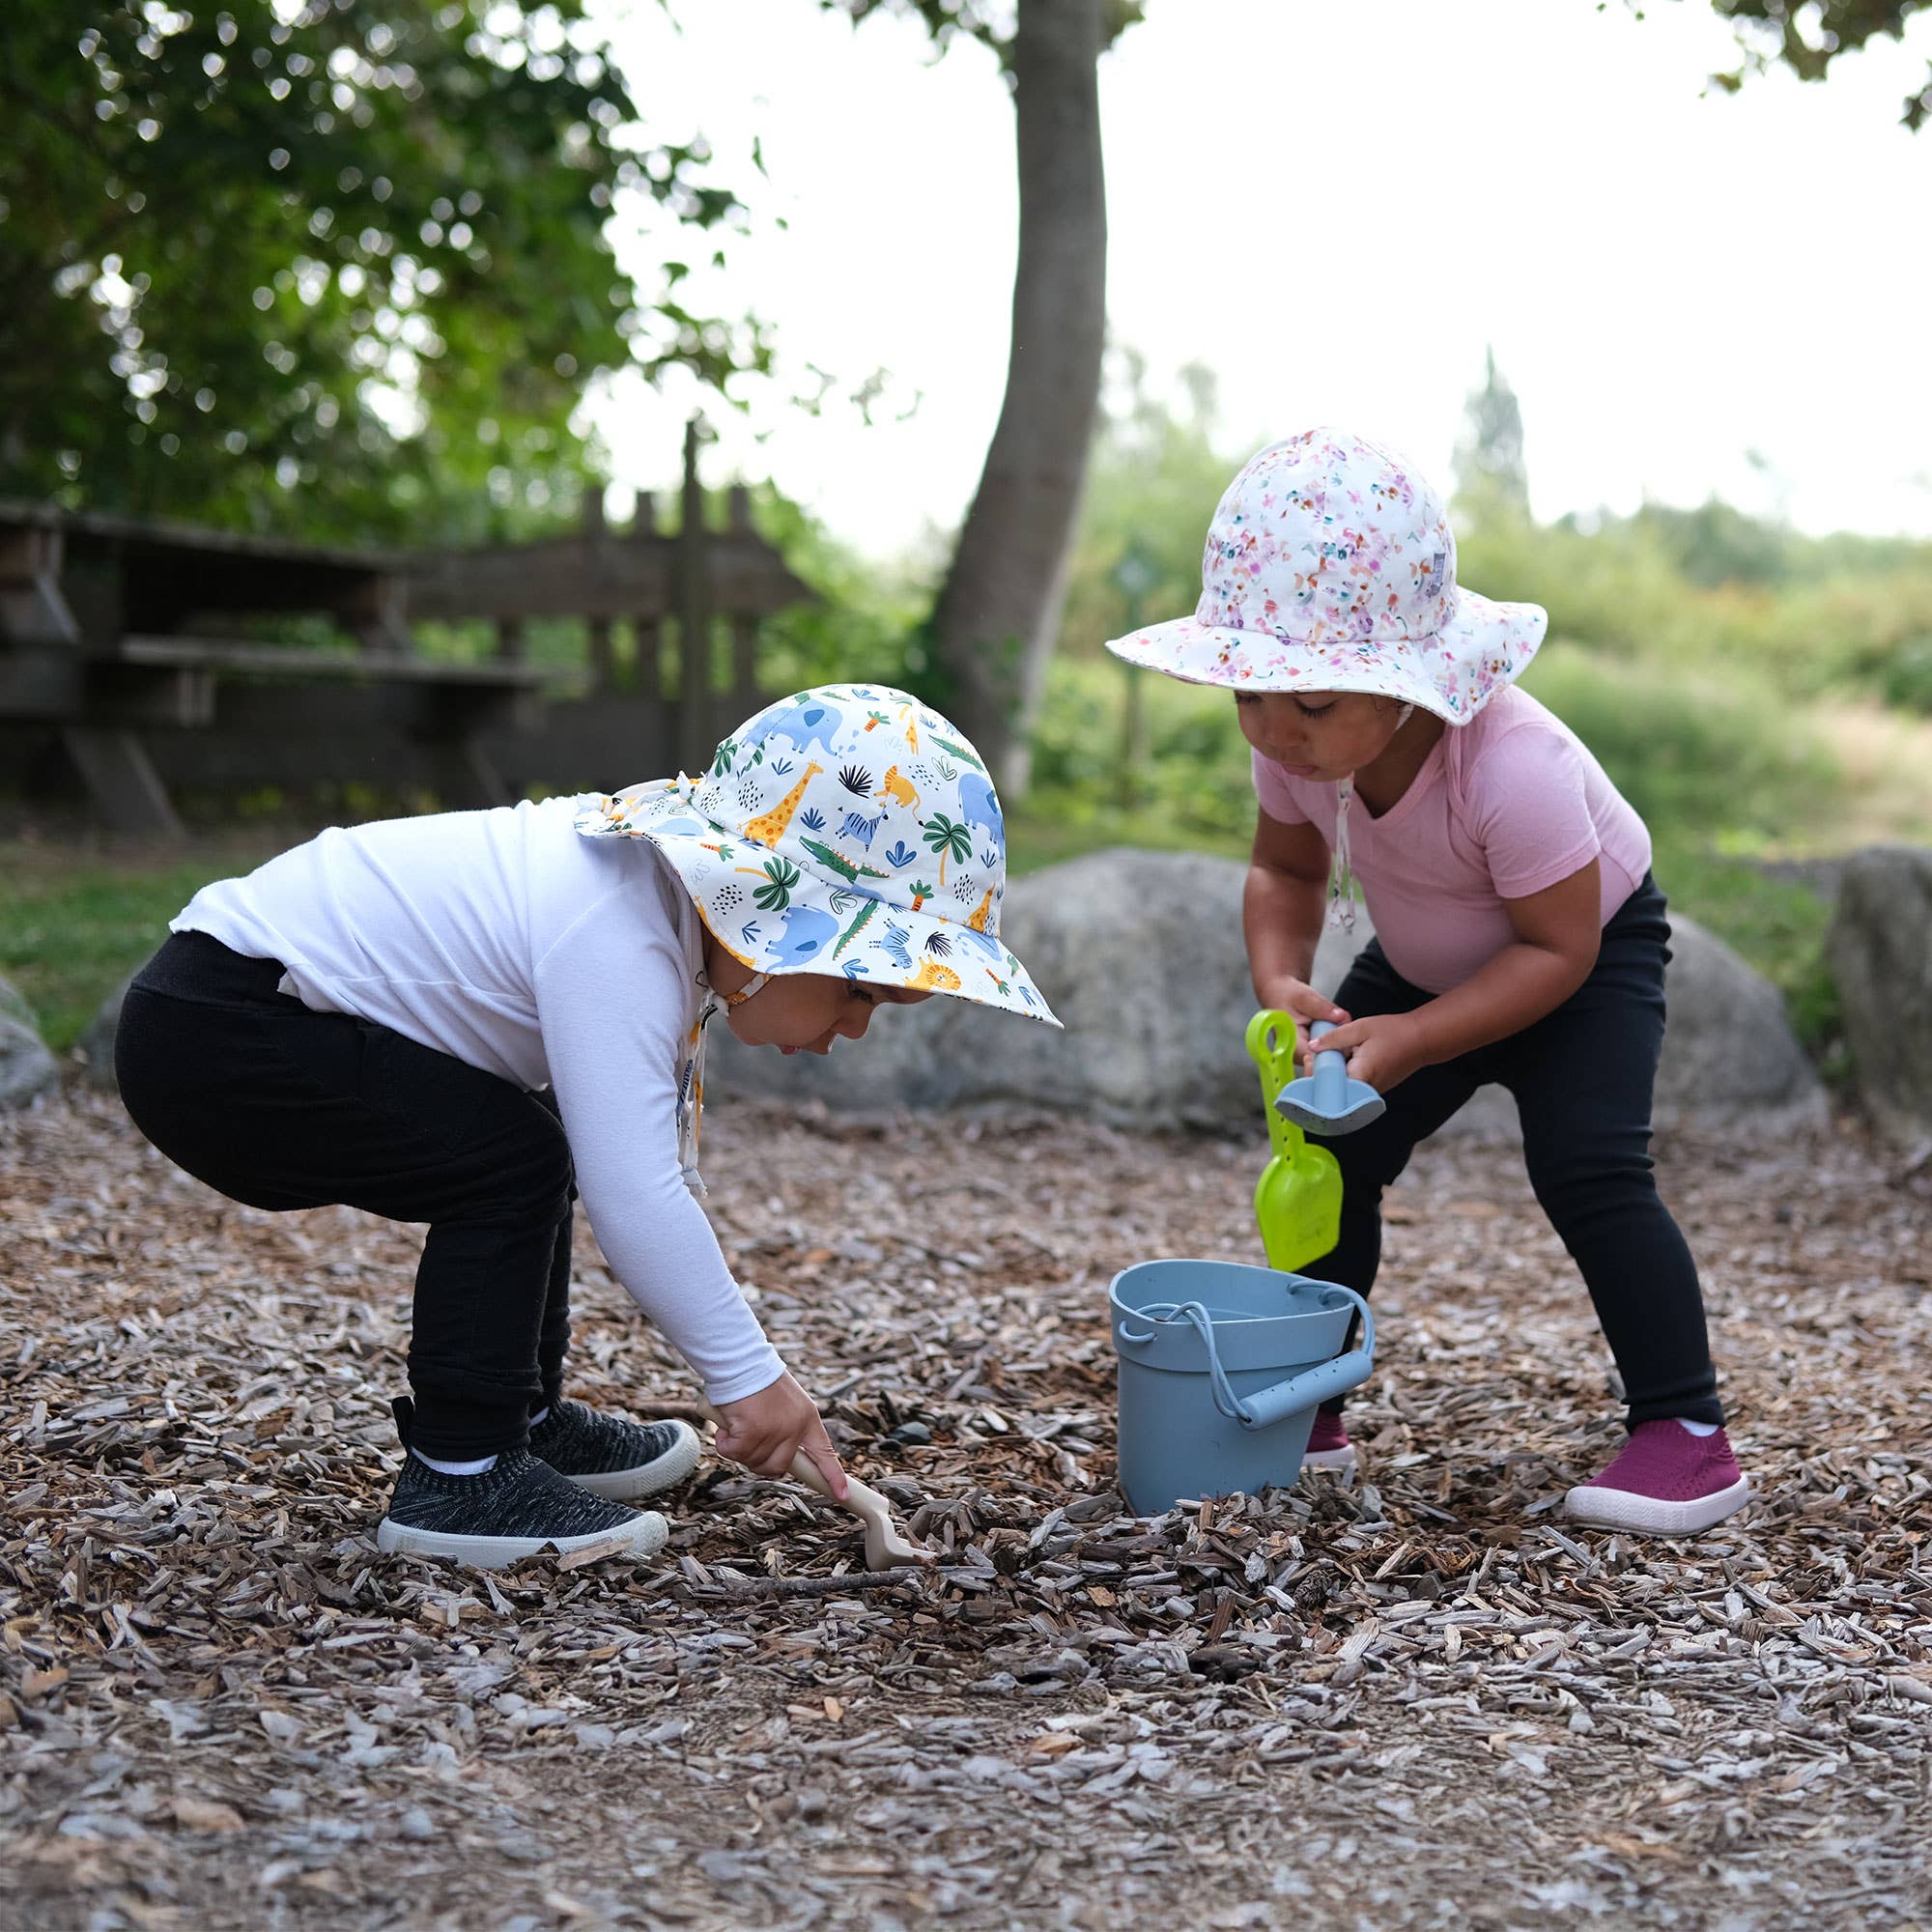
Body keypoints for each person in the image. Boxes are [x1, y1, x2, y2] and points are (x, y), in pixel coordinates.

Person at [115, 683, 1056, 1566]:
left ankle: (518, 1419)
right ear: (777, 919)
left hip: (238, 1011)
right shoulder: (619, 931)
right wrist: (752, 1380)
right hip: (220, 1031)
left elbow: (639, 1164)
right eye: (856, 987)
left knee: (526, 1145)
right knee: (510, 1156)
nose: (852, 1025)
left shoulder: (653, 903)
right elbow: (634, 1194)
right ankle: (459, 1473)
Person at [1106, 428, 1749, 1535]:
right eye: (1250, 698)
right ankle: (1306, 1396)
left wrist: (1407, 1039)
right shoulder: (1295, 744)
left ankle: (1685, 1432)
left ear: (1404, 684)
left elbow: (1554, 952)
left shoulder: (1514, 766)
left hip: (1580, 962)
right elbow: (1283, 865)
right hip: (1416, 958)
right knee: (1333, 1149)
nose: (1274, 730)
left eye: (1310, 705)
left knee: (1587, 1168)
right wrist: (1280, 980)